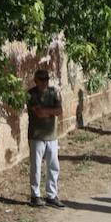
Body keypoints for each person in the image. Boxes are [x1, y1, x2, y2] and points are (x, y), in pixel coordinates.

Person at [27, 67, 64, 208]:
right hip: (36, 136)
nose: (44, 82)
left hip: (52, 136)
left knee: (53, 166)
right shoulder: (31, 95)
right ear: (35, 80)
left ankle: (51, 195)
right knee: (36, 167)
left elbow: (59, 111)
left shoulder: (53, 92)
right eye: (41, 79)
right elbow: (38, 113)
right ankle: (35, 195)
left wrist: (47, 111)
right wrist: (51, 111)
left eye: (46, 79)